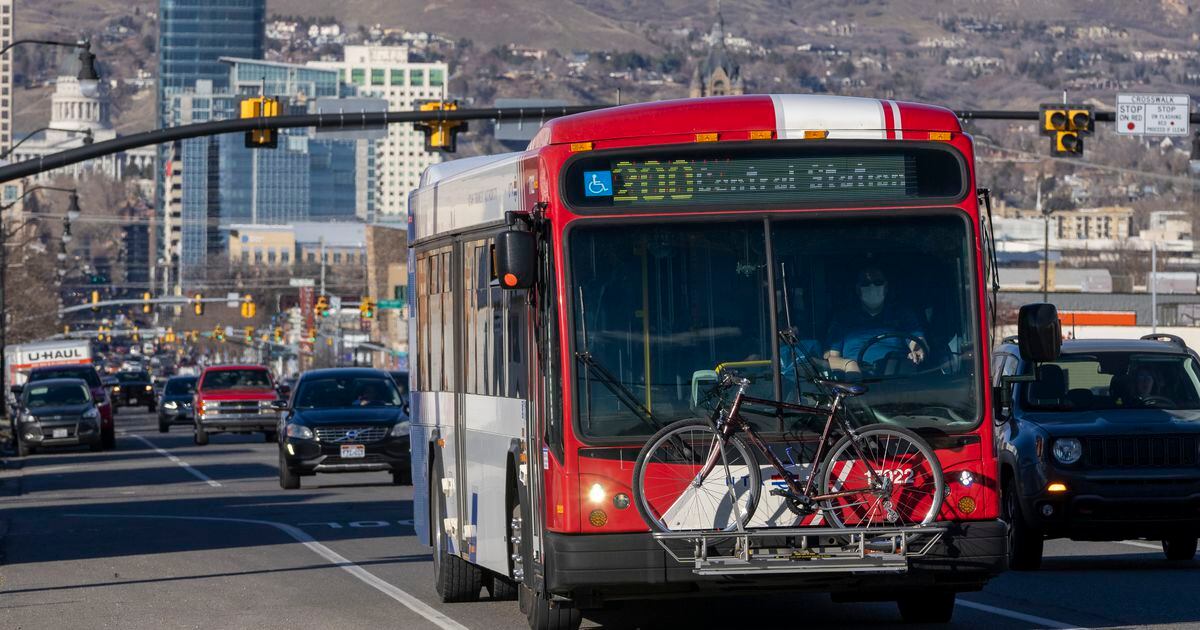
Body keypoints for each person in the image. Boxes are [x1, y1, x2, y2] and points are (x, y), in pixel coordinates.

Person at [824, 266, 926, 375]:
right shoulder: (843, 318)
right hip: (856, 383)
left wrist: (918, 351)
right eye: (865, 283)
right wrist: (849, 364)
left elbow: (918, 343)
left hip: (898, 380)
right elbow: (830, 359)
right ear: (858, 289)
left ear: (886, 287)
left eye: (878, 282)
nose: (872, 286)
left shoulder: (902, 315)